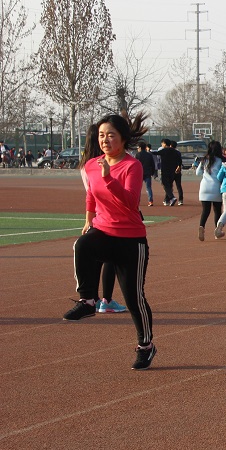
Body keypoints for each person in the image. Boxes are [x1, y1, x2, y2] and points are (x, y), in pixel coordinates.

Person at [63, 113, 156, 370]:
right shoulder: (93, 164)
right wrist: (88, 219)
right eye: (101, 135)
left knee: (134, 298)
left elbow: (130, 202)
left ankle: (146, 346)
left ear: (123, 138)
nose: (104, 140)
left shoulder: (131, 166)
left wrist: (108, 178)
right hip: (104, 230)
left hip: (130, 239)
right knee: (82, 245)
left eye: (111, 135)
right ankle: (88, 301)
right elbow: (91, 194)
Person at [76, 123, 128, 315]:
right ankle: (105, 300)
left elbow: (89, 193)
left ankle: (92, 298)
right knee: (110, 259)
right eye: (102, 135)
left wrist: (88, 219)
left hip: (96, 215)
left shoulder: (86, 164)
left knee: (93, 258)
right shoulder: (102, 163)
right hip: (108, 215)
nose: (105, 139)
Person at [196, 140, 224, 241]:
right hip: (216, 187)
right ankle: (217, 231)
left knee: (205, 210)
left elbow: (197, 173)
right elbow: (222, 174)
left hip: (204, 187)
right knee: (217, 211)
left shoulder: (204, 159)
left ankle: (201, 226)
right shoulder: (221, 160)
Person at [158, 138, 181, 206]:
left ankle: (172, 197)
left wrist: (149, 151)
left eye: (162, 143)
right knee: (170, 185)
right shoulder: (176, 151)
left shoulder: (164, 150)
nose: (162, 145)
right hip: (173, 171)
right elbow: (180, 160)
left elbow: (156, 153)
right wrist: (179, 166)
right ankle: (167, 200)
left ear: (165, 144)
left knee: (165, 184)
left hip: (165, 170)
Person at [134, 142, 156, 207]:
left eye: (138, 148)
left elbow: (135, 165)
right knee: (148, 187)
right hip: (148, 173)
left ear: (140, 148)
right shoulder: (149, 155)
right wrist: (152, 172)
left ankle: (137, 201)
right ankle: (150, 201)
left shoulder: (137, 155)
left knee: (138, 188)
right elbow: (153, 164)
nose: (137, 149)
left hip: (139, 173)